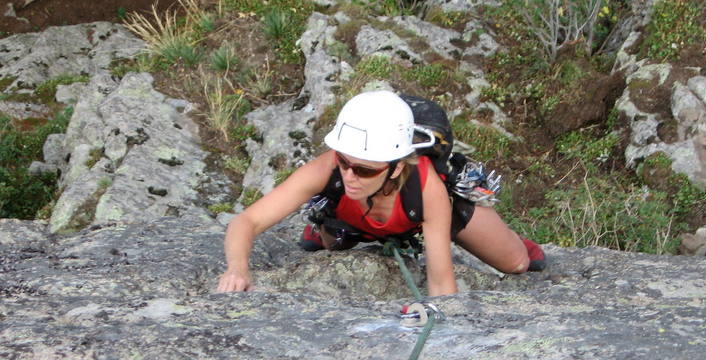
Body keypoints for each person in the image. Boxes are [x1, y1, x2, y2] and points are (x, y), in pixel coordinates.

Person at [217, 90, 545, 296]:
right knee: (336, 241)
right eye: (344, 163)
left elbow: (442, 284)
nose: (349, 176)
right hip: (355, 218)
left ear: (397, 166)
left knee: (515, 262)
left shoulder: (426, 188)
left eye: (364, 169)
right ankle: (326, 224)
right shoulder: (328, 169)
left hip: (415, 211)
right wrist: (237, 268)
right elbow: (246, 222)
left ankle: (511, 238)